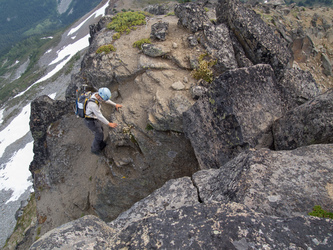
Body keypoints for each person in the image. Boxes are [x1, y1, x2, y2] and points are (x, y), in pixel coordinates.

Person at [84, 87, 122, 155]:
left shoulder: (97, 94)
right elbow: (99, 116)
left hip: (92, 118)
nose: (103, 100)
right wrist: (109, 123)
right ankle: (95, 149)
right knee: (99, 135)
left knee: (100, 129)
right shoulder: (93, 104)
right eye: (103, 99)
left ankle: (101, 143)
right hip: (90, 121)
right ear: (100, 97)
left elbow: (106, 100)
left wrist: (115, 104)